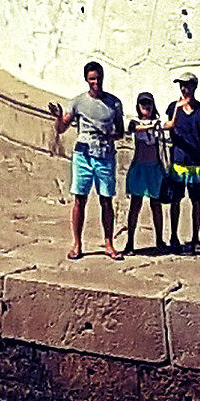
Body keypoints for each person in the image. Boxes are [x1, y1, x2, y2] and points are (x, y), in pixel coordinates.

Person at [47, 62, 126, 260]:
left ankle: (109, 243)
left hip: (105, 155)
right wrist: (58, 117)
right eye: (92, 79)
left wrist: (110, 134)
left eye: (98, 78)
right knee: (79, 200)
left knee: (106, 200)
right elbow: (61, 128)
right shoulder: (77, 102)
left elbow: (121, 131)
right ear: (86, 80)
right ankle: (77, 244)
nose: (95, 83)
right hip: (83, 155)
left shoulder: (114, 103)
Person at [163, 73, 200, 252]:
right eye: (182, 86)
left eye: (187, 86)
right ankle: (174, 236)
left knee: (196, 201)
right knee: (175, 200)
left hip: (195, 162)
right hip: (178, 160)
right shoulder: (173, 107)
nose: (184, 90)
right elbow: (169, 126)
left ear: (194, 87)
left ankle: (195, 238)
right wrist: (177, 110)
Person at [121, 94, 168, 254]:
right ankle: (130, 242)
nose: (146, 106)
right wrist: (150, 127)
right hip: (140, 168)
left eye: (148, 103)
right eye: (143, 103)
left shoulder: (158, 122)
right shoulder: (135, 121)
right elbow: (133, 128)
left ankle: (160, 239)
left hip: (154, 168)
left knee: (156, 205)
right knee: (135, 205)